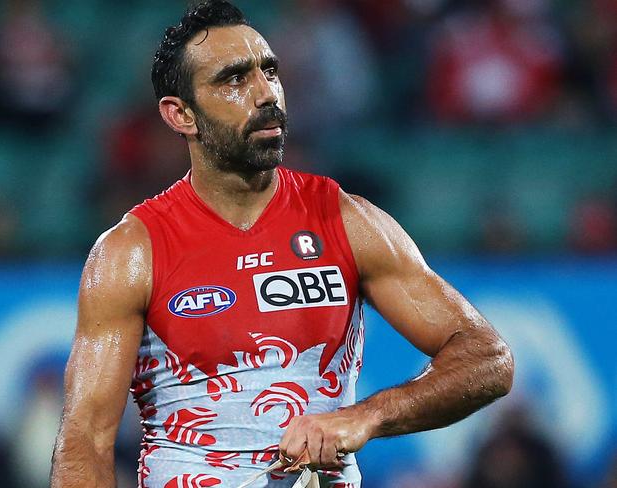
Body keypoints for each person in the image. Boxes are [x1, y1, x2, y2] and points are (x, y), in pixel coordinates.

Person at [50, 1, 514, 487]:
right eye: (233, 79)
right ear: (180, 114)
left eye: (269, 71)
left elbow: (488, 359)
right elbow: (86, 440)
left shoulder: (346, 220)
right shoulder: (132, 252)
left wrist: (367, 416)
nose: (265, 93)